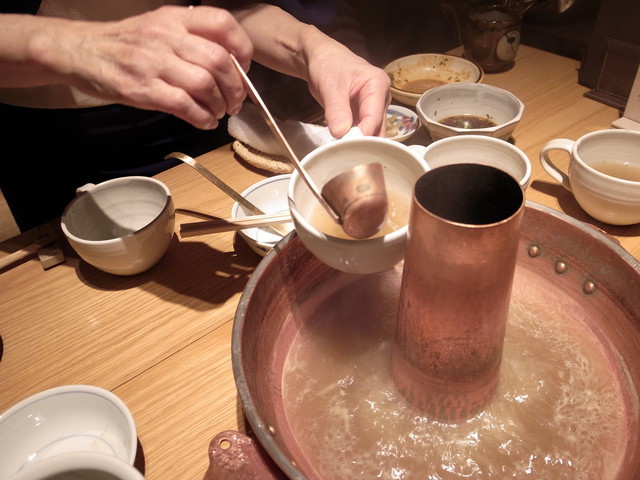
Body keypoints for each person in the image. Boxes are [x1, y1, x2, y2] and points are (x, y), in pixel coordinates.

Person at [0, 1, 390, 231]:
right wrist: (77, 45)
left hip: (196, 105)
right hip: (47, 135)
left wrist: (311, 47)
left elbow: (229, 9)